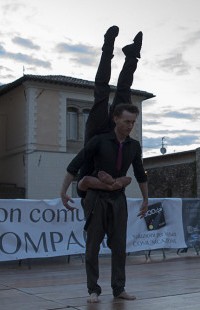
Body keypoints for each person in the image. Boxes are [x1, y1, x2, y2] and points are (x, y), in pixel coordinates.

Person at [60, 27, 147, 303]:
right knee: (101, 92)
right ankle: (107, 48)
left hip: (114, 190)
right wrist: (64, 191)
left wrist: (141, 194)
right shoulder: (99, 141)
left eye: (133, 122)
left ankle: (132, 56)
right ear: (119, 121)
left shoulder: (130, 141)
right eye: (128, 122)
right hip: (97, 148)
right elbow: (77, 167)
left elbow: (139, 172)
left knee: (124, 91)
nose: (131, 126)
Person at [60, 25, 142, 210]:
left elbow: (75, 168)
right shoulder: (102, 192)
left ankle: (108, 47)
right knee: (122, 92)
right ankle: (132, 55)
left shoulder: (84, 189)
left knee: (101, 92)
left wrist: (64, 191)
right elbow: (129, 178)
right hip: (114, 136)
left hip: (95, 135)